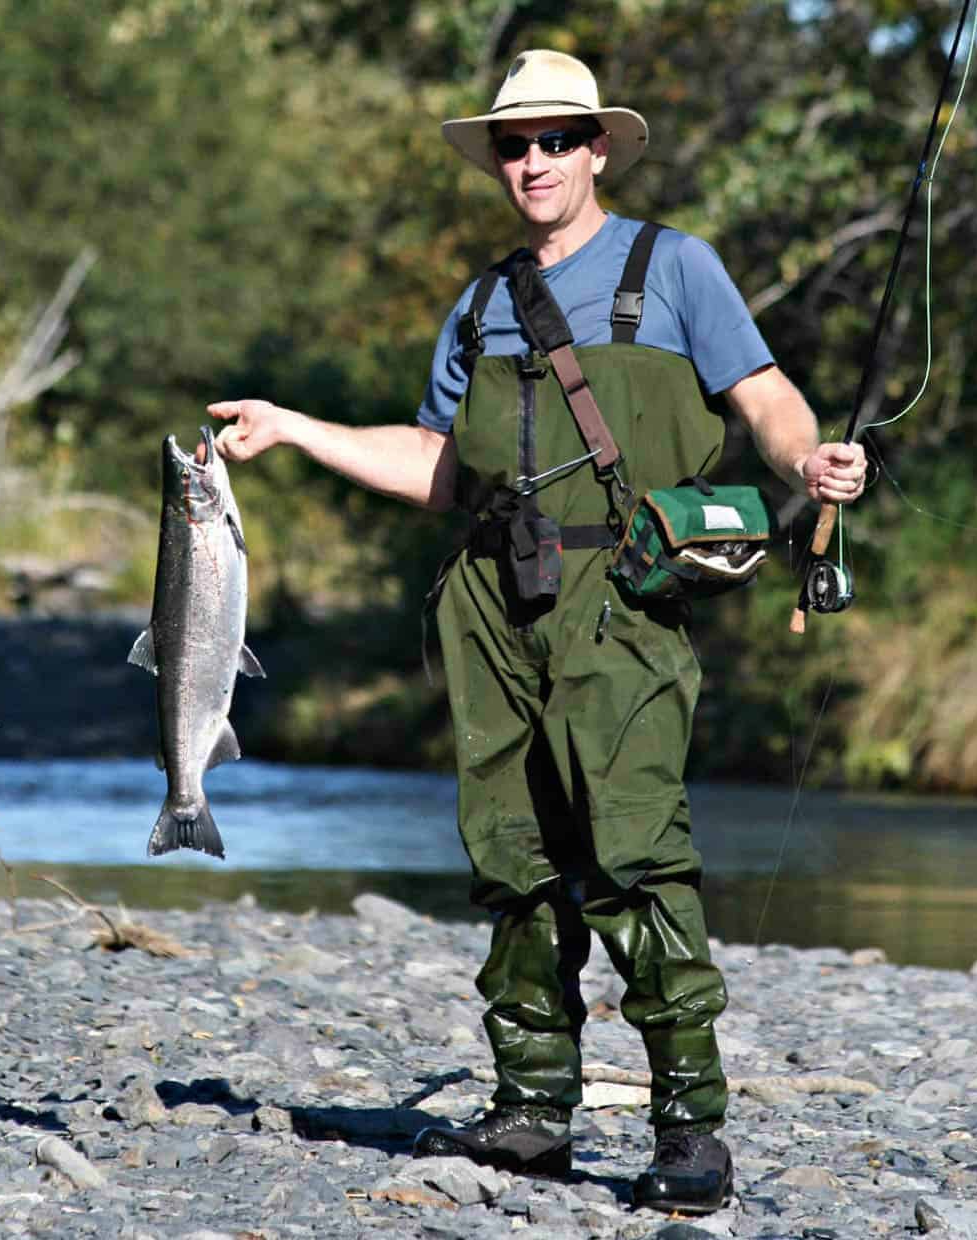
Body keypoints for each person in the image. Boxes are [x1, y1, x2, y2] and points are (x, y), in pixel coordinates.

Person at [205, 48, 866, 1215]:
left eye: (556, 139)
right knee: (510, 853)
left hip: (623, 598)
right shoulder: (480, 302)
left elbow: (765, 400)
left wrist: (809, 462)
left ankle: (691, 1124)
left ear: (598, 148)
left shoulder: (677, 269)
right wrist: (296, 426)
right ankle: (531, 1107)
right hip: (489, 603)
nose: (532, 161)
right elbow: (438, 465)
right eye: (514, 144)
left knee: (633, 846)